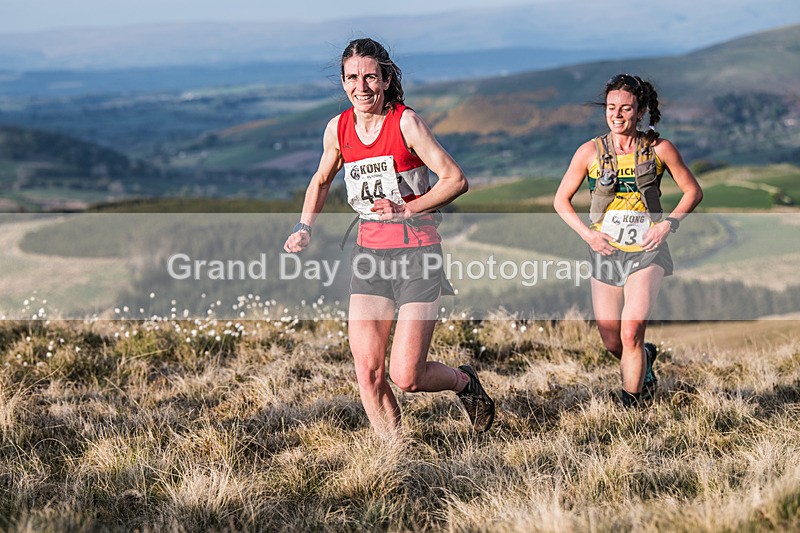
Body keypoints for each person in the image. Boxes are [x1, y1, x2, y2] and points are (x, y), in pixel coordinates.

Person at [283, 38, 495, 433]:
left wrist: (407, 209)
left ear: (385, 79)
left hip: (418, 254)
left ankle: (464, 382)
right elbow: (321, 179)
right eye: (352, 78)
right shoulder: (339, 128)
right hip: (370, 255)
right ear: (343, 83)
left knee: (407, 375)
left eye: (369, 77)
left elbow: (455, 179)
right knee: (367, 370)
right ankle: (395, 458)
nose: (361, 86)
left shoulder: (406, 123)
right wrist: (304, 226)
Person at [553, 73, 703, 407]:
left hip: (647, 252)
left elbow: (693, 191)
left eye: (625, 108)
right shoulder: (589, 152)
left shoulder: (660, 149)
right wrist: (588, 236)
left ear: (640, 111)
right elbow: (560, 200)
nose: (617, 115)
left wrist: (668, 226)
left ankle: (631, 412)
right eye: (610, 108)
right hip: (605, 251)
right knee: (611, 340)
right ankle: (644, 361)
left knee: (631, 331)